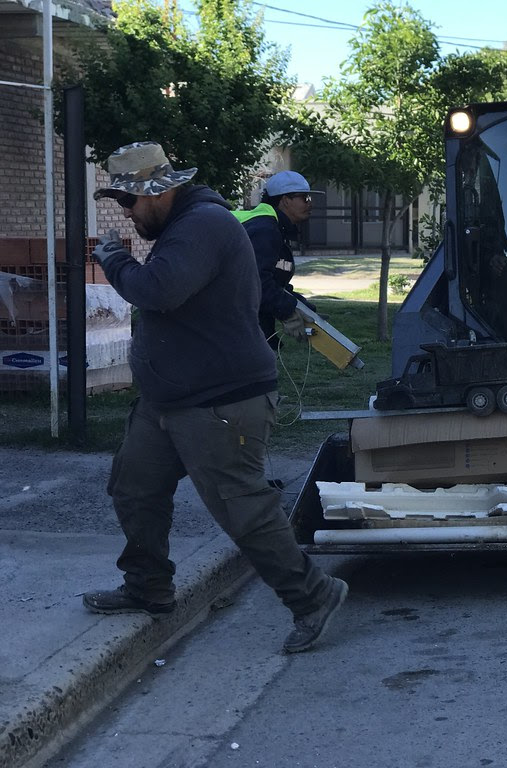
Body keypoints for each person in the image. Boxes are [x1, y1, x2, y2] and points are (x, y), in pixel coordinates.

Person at [84, 141, 347, 654]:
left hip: (221, 401)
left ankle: (314, 596)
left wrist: (114, 259)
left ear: (157, 192)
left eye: (128, 201)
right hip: (168, 400)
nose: (126, 212)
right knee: (134, 487)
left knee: (242, 508)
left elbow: (158, 290)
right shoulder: (183, 226)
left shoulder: (203, 224)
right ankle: (148, 587)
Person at [233, 170, 322, 348]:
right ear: (285, 200)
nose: (310, 203)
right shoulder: (265, 230)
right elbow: (256, 282)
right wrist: (288, 311)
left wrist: (301, 306)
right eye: (305, 198)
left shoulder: (272, 225)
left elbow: (273, 281)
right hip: (233, 325)